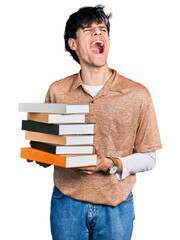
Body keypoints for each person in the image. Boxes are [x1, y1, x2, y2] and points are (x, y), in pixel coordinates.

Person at [34, 5, 162, 240]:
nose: (98, 34)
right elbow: (43, 156)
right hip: (66, 205)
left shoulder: (137, 94)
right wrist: (40, 149)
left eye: (102, 29)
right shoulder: (57, 91)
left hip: (117, 208)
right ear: (73, 43)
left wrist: (109, 164)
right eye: (88, 30)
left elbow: (150, 158)